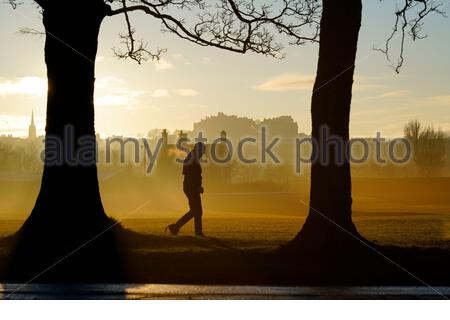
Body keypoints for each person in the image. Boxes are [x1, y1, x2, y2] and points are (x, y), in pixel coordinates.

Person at [166, 142, 205, 237]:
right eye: (202, 151)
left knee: (196, 211)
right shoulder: (192, 159)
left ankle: (176, 227)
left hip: (190, 187)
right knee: (197, 211)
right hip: (191, 188)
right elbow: (192, 176)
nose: (203, 153)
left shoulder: (192, 157)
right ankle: (178, 227)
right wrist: (196, 187)